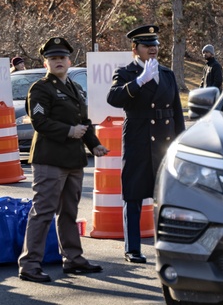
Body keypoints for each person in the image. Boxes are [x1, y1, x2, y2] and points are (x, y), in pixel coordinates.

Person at [16, 38, 109, 283]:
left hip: (73, 159)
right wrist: (69, 131)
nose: (58, 62)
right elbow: (40, 122)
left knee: (69, 212)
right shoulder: (40, 88)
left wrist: (94, 144)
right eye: (53, 58)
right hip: (50, 159)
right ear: (45, 62)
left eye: (62, 57)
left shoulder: (75, 88)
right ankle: (29, 264)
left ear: (69, 60)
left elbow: (84, 121)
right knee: (43, 211)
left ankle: (73, 258)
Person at [107, 25, 185, 263]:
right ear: (135, 49)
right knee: (133, 194)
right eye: (146, 45)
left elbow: (177, 112)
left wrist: (182, 143)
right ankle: (133, 248)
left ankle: (171, 244)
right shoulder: (127, 73)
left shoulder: (167, 73)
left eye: (155, 45)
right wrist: (140, 82)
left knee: (167, 196)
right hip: (139, 139)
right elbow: (114, 98)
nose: (152, 49)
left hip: (165, 140)